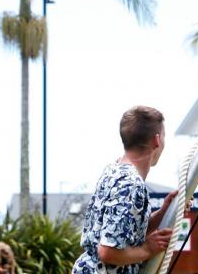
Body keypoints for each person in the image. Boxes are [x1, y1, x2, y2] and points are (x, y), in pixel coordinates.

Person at [72, 106, 177, 273]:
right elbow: (108, 251)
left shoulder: (113, 170)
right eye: (164, 136)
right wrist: (148, 249)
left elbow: (124, 234)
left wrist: (165, 210)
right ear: (156, 140)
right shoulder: (130, 185)